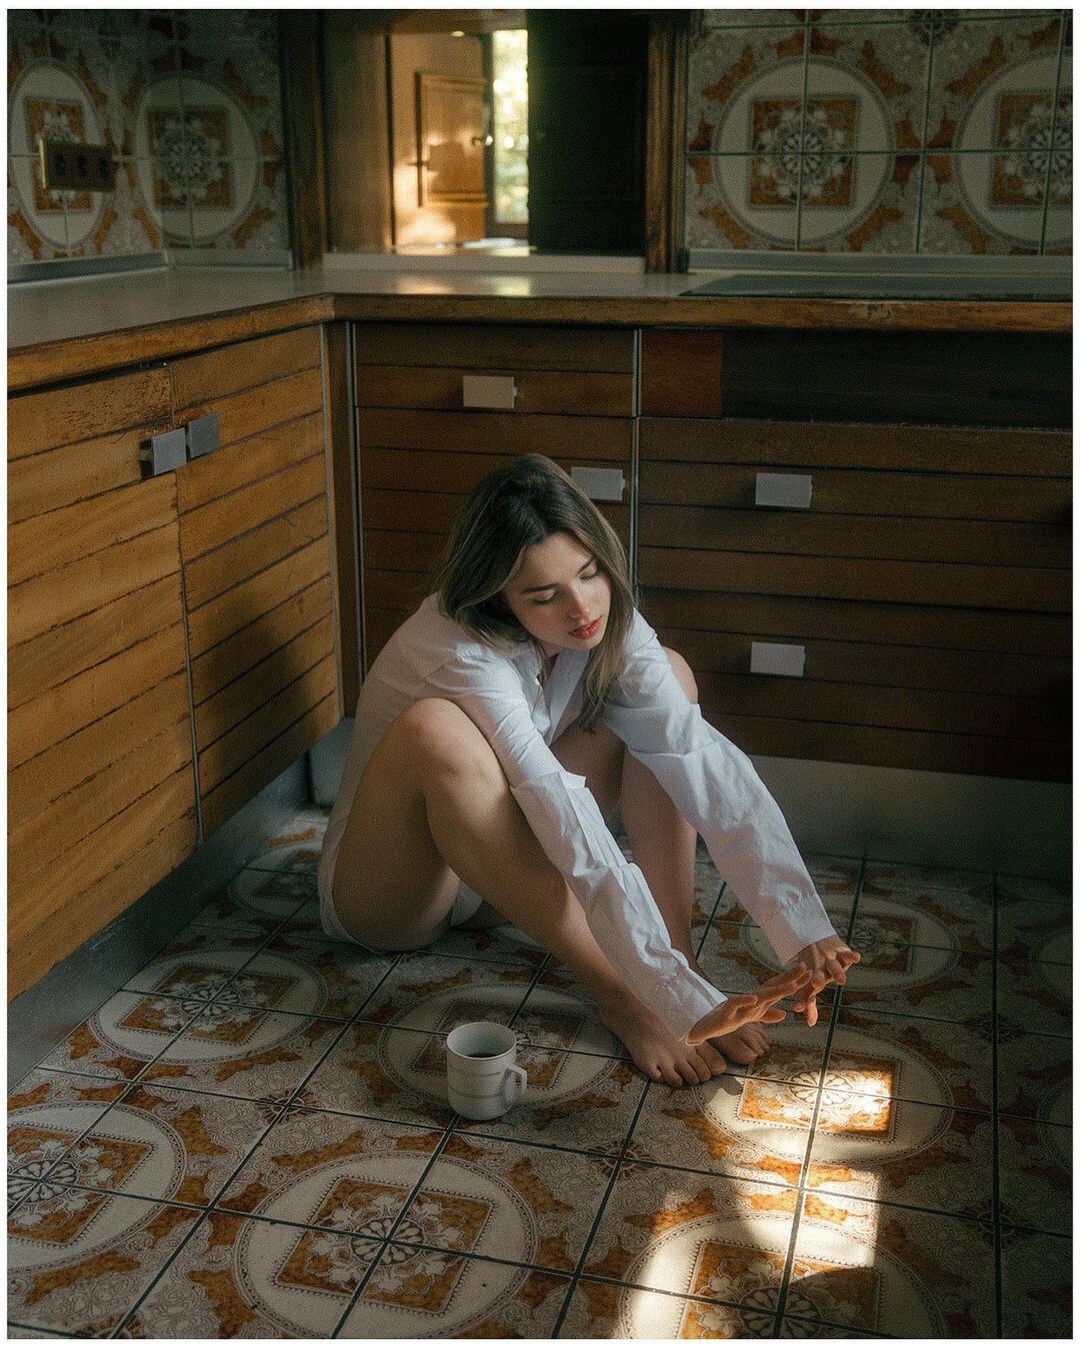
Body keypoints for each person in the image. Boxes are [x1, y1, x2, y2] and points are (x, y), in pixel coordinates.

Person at [318, 454, 860, 1088]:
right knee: (436, 729)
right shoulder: (457, 646)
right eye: (544, 596)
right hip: (397, 896)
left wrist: (802, 929)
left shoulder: (605, 619)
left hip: (502, 880)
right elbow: (556, 803)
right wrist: (646, 991)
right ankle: (629, 999)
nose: (582, 609)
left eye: (590, 573)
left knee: (669, 685)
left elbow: (694, 755)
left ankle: (680, 965)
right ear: (497, 598)